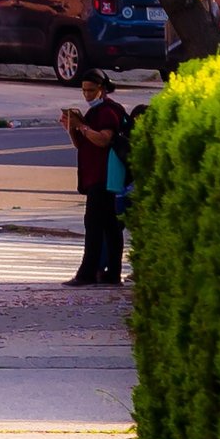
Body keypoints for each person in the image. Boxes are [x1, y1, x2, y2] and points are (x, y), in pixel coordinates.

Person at [62, 72, 132, 284]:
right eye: (83, 90)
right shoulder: (95, 112)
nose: (86, 94)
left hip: (104, 176)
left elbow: (103, 139)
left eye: (90, 90)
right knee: (110, 225)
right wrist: (72, 126)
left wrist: (82, 126)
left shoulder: (108, 112)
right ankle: (111, 273)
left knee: (94, 224)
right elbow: (81, 143)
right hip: (97, 175)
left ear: (102, 89)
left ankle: (87, 273)